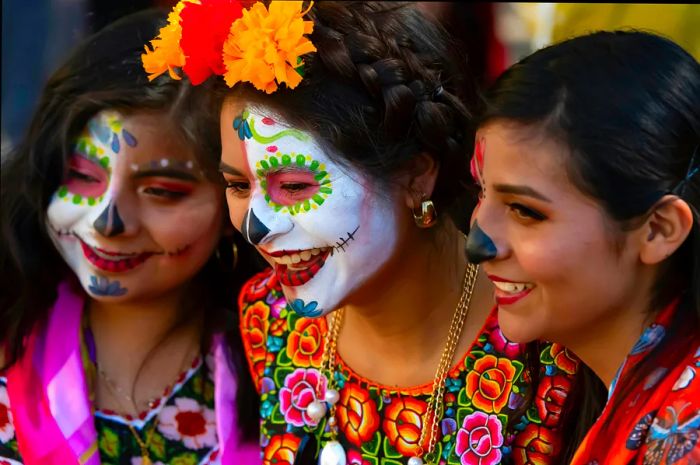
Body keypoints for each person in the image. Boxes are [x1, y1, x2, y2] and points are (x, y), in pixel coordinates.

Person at [140, 1, 582, 464]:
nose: (257, 225)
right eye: (237, 185)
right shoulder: (269, 318)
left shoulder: (547, 347)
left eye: (293, 186)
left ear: (416, 176)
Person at [0, 9, 263, 465]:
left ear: (235, 198)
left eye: (162, 191)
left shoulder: (287, 373)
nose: (108, 222)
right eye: (81, 176)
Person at [467, 30, 699, 462]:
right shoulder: (577, 371)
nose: (478, 242)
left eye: (525, 210)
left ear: (658, 229)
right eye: (482, 192)